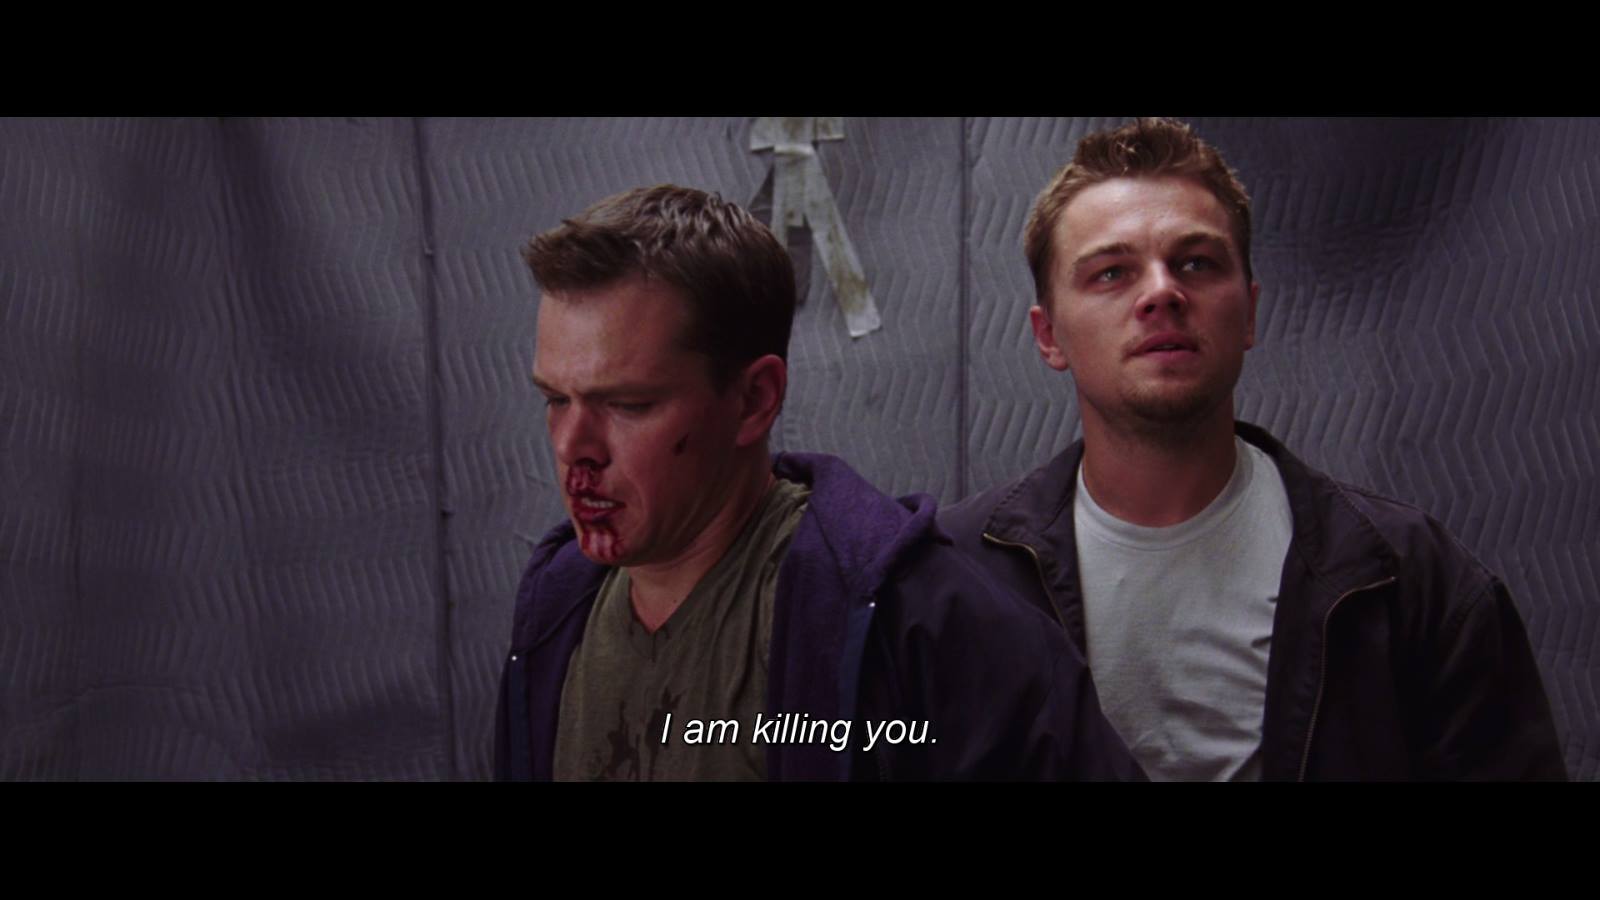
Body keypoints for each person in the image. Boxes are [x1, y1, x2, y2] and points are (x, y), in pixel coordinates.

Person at [942, 118, 1567, 781]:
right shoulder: (954, 577)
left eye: (1196, 263)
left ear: (1249, 312)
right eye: (1112, 273)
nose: (1161, 292)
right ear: (1049, 336)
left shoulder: (1410, 580)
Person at [494, 184, 1140, 781]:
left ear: (754, 400)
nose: (572, 448)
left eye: (628, 405)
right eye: (556, 400)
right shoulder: (558, 606)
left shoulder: (922, 620)